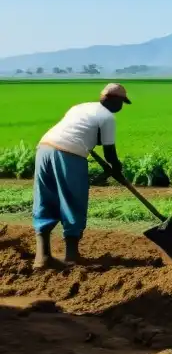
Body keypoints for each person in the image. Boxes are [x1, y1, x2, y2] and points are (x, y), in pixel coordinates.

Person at [33, 82, 130, 268]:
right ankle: (71, 256)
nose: (121, 107)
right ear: (114, 100)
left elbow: (88, 135)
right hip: (69, 154)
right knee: (73, 200)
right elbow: (109, 153)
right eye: (122, 102)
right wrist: (116, 169)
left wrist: (111, 168)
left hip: (44, 148)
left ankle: (42, 257)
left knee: (45, 199)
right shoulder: (107, 117)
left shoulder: (80, 107)